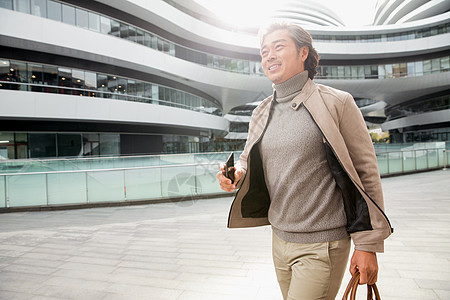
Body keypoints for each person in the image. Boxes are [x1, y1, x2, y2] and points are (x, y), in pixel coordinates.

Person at [217, 22, 393, 300]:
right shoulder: (261, 112)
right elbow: (247, 158)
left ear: (303, 53)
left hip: (323, 244)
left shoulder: (337, 103)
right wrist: (237, 173)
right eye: (264, 51)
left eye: (278, 46)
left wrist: (368, 245)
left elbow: (366, 172)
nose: (269, 56)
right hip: (280, 239)